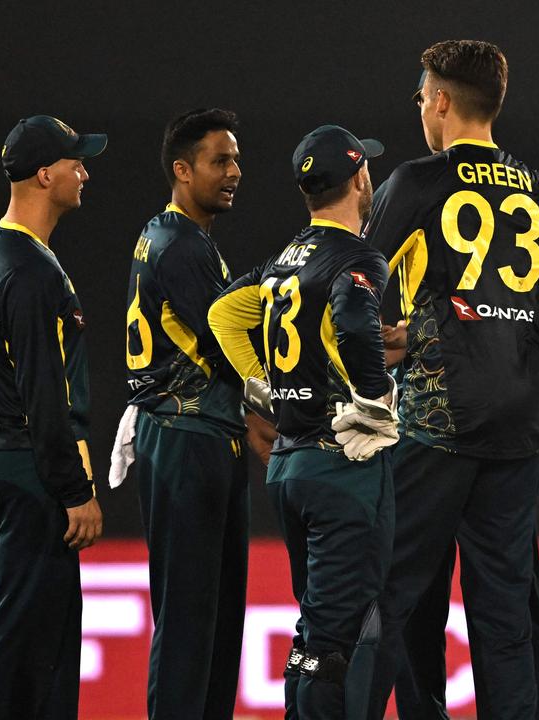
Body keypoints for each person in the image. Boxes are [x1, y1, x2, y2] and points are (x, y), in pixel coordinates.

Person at [362, 39, 539, 719]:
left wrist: (389, 351)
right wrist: (532, 352)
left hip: (436, 422)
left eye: (421, 98)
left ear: (439, 101)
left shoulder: (414, 183)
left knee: (390, 592)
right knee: (504, 611)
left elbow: (350, 286)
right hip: (516, 425)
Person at [209, 124, 396, 720]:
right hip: (342, 464)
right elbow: (351, 314)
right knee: (346, 638)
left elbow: (222, 313)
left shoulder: (282, 260)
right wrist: (373, 396)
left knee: (316, 632)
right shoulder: (357, 256)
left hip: (290, 465)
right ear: (359, 178)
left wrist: (260, 381)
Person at [0, 114, 106, 719]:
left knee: (35, 633)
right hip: (29, 470)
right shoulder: (30, 270)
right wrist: (75, 489)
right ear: (45, 175)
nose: (85, 171)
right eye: (76, 161)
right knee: (29, 640)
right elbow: (42, 393)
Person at [114, 108, 250, 719]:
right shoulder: (183, 247)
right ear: (181, 169)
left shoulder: (173, 237)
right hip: (187, 435)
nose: (233, 172)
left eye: (235, 160)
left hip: (197, 433)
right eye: (219, 161)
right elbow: (231, 352)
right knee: (194, 618)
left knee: (211, 617)